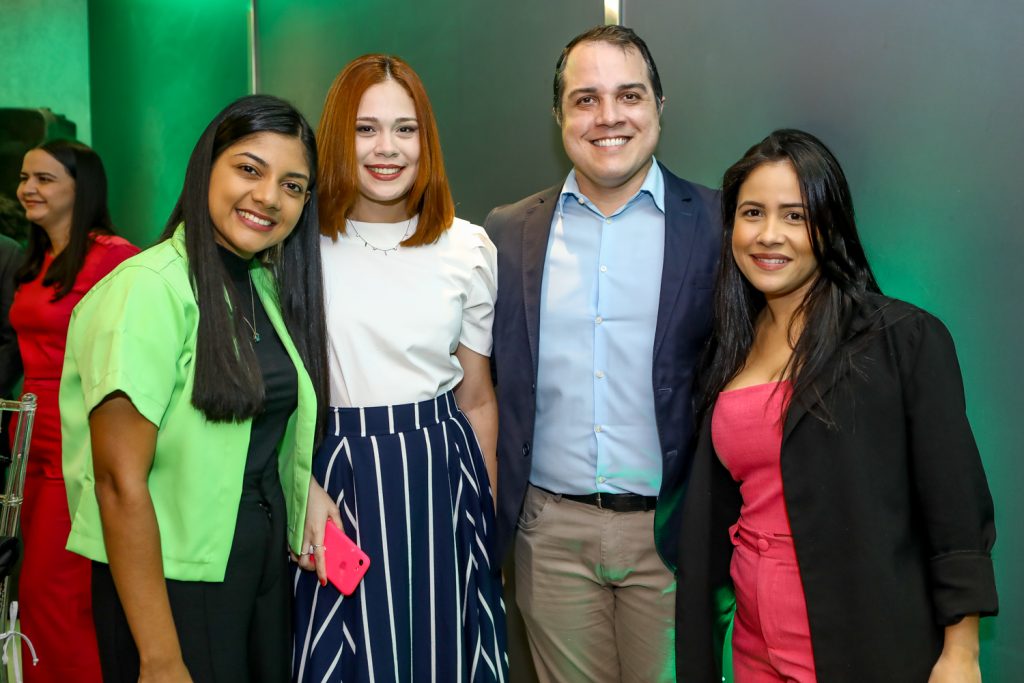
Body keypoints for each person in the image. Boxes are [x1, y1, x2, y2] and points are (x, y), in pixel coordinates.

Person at [676, 129, 998, 683]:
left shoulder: (902, 339)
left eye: (795, 216)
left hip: (861, 643)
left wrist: (960, 653)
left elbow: (955, 509)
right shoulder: (727, 350)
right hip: (753, 649)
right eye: (752, 212)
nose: (769, 235)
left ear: (830, 225)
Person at [60, 95, 336, 682]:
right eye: (249, 169)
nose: (268, 198)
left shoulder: (257, 283)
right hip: (171, 581)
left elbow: (247, 424)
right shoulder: (147, 290)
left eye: (293, 186)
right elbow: (116, 481)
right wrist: (160, 657)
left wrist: (301, 485)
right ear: (206, 166)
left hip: (255, 565)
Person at [484, 25, 721, 682]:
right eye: (585, 99)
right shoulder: (506, 233)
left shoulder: (721, 225)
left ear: (659, 107)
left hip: (671, 536)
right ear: (559, 115)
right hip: (549, 537)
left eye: (629, 95)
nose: (609, 116)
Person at [291, 54, 508, 682]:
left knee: (444, 653)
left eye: (404, 129)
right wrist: (298, 480)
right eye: (365, 128)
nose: (386, 148)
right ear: (337, 136)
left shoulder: (467, 247)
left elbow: (478, 400)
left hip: (441, 475)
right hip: (333, 474)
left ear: (426, 139)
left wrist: (485, 515)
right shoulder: (297, 245)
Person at [10, 139, 139, 682]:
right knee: (32, 592)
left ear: (79, 188)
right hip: (27, 439)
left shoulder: (114, 255)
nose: (27, 189)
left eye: (44, 179)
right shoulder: (33, 261)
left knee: (64, 591)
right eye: (23, 178)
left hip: (81, 439)